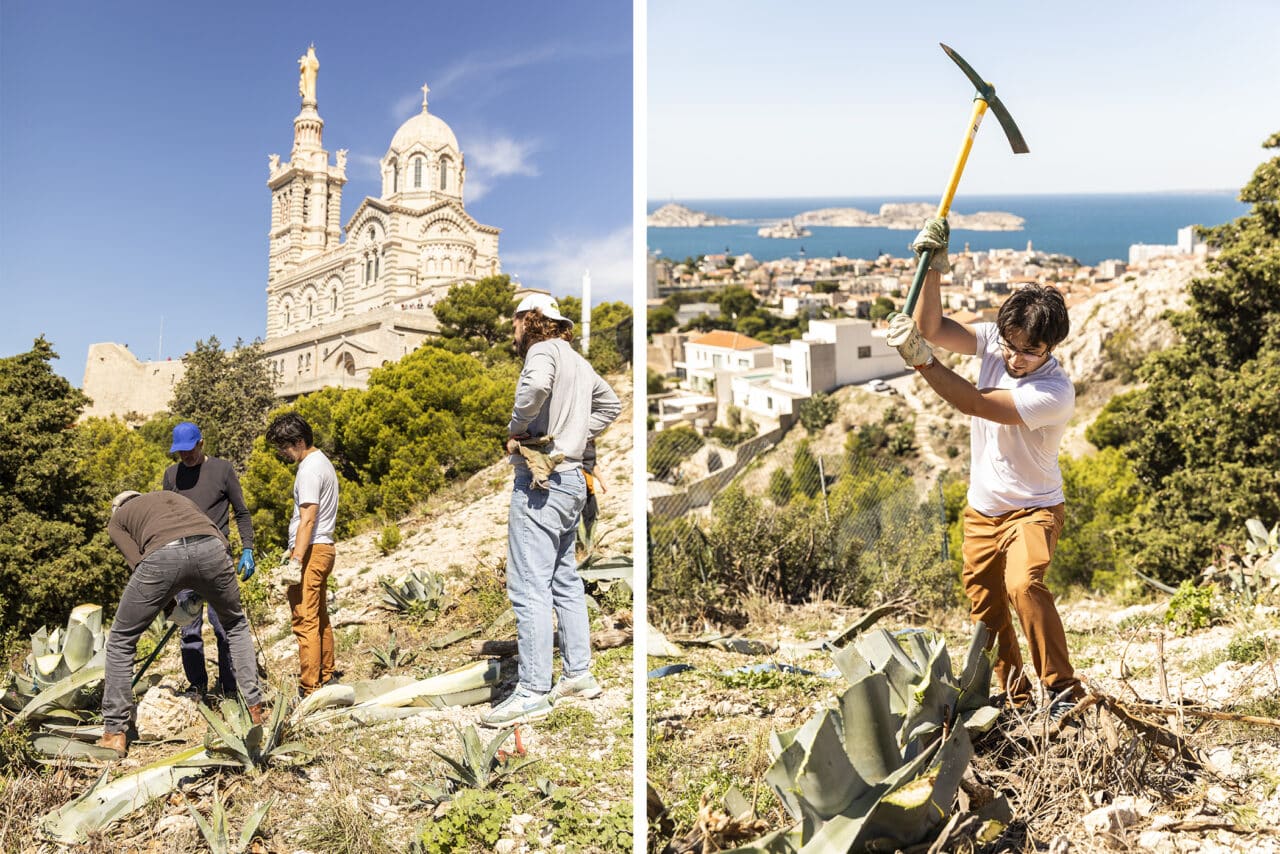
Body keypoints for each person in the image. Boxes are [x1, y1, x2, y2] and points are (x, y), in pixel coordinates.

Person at [886, 217, 1084, 721]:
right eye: (1011, 346)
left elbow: (974, 402)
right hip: (982, 510)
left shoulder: (1053, 393)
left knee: (1024, 585)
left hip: (1033, 510)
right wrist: (932, 269)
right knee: (987, 610)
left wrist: (922, 362)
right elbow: (934, 328)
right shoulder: (1000, 342)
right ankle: (1016, 701)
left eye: (1029, 351)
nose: (1015, 359)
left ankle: (1063, 691)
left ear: (1051, 347)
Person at [481, 293, 622, 727]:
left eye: (515, 322)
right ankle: (579, 674)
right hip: (573, 480)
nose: (513, 330)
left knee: (528, 586)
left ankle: (533, 690)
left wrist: (518, 429)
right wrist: (576, 435)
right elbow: (611, 405)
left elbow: (537, 387)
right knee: (564, 578)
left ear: (530, 320)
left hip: (542, 479)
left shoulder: (541, 352)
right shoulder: (577, 360)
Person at [98, 490, 263, 757]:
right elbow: (215, 538)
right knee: (234, 624)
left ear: (119, 509)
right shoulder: (174, 498)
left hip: (163, 556)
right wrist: (203, 588)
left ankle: (114, 733)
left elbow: (139, 563)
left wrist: (170, 606)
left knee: (121, 639)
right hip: (212, 548)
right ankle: (255, 710)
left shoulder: (118, 520)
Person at [162, 421, 256, 701]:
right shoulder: (171, 476)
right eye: (180, 452)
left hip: (217, 560)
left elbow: (241, 512)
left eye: (190, 450)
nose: (186, 457)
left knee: (224, 626)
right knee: (188, 630)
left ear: (201, 444)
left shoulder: (222, 470)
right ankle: (197, 687)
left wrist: (248, 548)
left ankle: (230, 689)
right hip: (183, 561)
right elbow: (166, 520)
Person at [265, 412, 339, 697]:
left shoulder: (308, 469)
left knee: (304, 619)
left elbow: (308, 518)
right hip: (323, 547)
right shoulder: (323, 463)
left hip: (312, 550)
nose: (282, 453)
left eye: (284, 447)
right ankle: (327, 674)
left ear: (298, 441)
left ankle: (310, 689)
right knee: (319, 615)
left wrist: (296, 559)